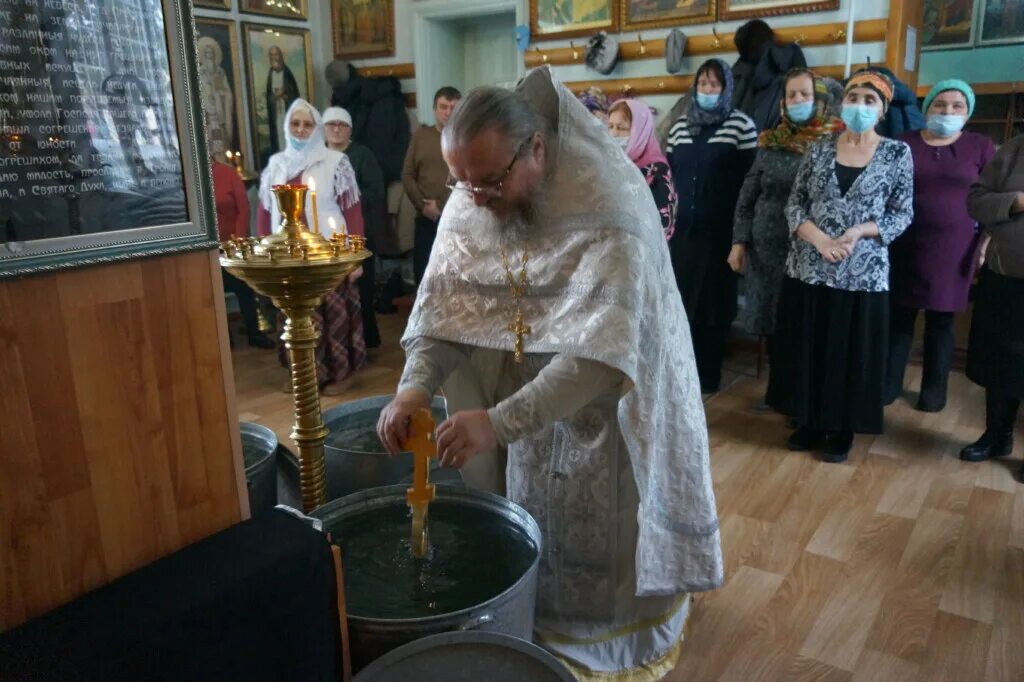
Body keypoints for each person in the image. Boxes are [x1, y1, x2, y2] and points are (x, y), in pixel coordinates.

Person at [377, 69, 722, 680]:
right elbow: (446, 309)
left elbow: (602, 356)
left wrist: (499, 422)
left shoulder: (610, 203)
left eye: (489, 182)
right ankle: (534, 619)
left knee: (604, 536)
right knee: (534, 514)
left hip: (609, 409)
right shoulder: (474, 189)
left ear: (535, 147)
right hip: (522, 405)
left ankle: (613, 641)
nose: (473, 199)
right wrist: (415, 383)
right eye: (462, 183)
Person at [767, 72, 914, 462]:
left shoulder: (897, 154)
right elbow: (795, 203)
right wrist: (819, 240)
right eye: (854, 97)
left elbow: (902, 213)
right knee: (809, 345)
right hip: (809, 266)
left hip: (862, 272)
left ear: (882, 109)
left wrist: (861, 232)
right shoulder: (818, 148)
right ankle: (808, 420)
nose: (860, 107)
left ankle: (841, 427)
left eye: (869, 100)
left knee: (848, 352)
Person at [730, 69, 844, 407]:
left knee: (803, 323)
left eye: (804, 95)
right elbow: (747, 196)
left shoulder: (836, 143)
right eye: (791, 95)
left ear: (820, 99)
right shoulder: (770, 141)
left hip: (810, 250)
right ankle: (778, 392)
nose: (797, 101)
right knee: (771, 323)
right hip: (766, 250)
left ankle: (805, 394)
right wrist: (739, 242)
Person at [887, 80, 995, 412]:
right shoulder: (902, 143)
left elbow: (992, 197)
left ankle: (933, 394)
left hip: (955, 248)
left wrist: (987, 241)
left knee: (942, 321)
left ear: (967, 112)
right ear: (927, 107)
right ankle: (885, 387)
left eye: (956, 106)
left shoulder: (981, 146)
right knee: (898, 318)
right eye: (939, 104)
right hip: (903, 243)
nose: (947, 111)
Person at [256, 100, 367, 396]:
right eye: (295, 124)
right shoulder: (277, 165)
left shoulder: (335, 162)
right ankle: (302, 374)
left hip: (328, 253)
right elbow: (265, 213)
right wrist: (264, 254)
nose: (301, 130)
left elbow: (352, 210)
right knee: (293, 318)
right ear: (286, 127)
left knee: (335, 316)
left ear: (316, 128)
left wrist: (354, 259)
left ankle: (342, 374)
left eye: (307, 124)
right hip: (288, 255)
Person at [666, 58, 759, 393]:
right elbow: (671, 177)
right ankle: (682, 373)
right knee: (681, 302)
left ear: (725, 89)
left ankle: (708, 375)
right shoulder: (680, 126)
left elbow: (750, 183)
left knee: (715, 308)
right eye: (702, 84)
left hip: (722, 234)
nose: (707, 90)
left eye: (714, 85)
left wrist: (742, 237)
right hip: (683, 234)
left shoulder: (741, 125)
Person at [962, 134, 1024, 476]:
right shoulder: (1015, 149)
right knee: (1000, 360)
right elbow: (976, 199)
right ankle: (995, 436)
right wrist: (1015, 202)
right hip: (1005, 276)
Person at [324, 106, 385, 349]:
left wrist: (347, 197)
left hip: (358, 232)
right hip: (328, 235)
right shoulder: (318, 156)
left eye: (342, 124)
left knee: (362, 291)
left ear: (350, 129)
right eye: (332, 124)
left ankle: (365, 341)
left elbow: (375, 191)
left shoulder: (362, 155)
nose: (337, 129)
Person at [212, 155, 274, 349]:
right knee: (213, 292)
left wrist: (237, 240)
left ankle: (254, 333)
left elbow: (243, 208)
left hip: (233, 245)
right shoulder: (189, 178)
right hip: (206, 249)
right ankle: (224, 336)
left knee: (244, 289)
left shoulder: (227, 173)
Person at [402, 86, 461, 286]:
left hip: (456, 220)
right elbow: (408, 175)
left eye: (454, 107)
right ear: (435, 109)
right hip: (425, 218)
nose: (448, 112)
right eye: (443, 107)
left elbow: (466, 178)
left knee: (453, 278)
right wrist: (423, 205)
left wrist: (442, 206)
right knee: (424, 276)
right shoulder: (421, 136)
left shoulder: (467, 139)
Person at [607, 99, 677, 239]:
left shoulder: (657, 170)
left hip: (643, 252)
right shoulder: (608, 164)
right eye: (610, 126)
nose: (613, 134)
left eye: (621, 128)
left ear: (640, 131)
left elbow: (664, 223)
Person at [197, 37, 234, 158]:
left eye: (211, 53)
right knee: (210, 144)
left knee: (221, 146)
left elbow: (228, 93)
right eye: (207, 53)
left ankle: (221, 160)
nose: (210, 55)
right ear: (203, 55)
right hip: (208, 115)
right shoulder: (200, 72)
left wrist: (221, 94)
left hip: (220, 116)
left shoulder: (220, 72)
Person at [265, 46, 300, 159]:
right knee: (278, 134)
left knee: (287, 134)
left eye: (276, 54)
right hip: (276, 112)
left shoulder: (287, 73)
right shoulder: (271, 73)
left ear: (281, 56)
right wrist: (275, 97)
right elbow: (269, 96)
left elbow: (294, 95)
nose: (274, 58)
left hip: (286, 110)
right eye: (272, 55)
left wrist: (285, 96)